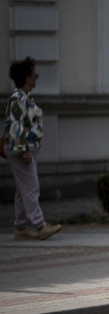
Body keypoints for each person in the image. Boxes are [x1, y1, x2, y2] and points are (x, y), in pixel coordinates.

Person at [2, 57, 61, 240]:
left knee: (23, 189)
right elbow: (16, 125)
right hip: (22, 150)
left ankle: (21, 228)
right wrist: (23, 150)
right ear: (28, 78)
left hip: (27, 149)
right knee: (31, 186)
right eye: (35, 74)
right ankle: (40, 225)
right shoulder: (18, 98)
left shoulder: (24, 97)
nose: (36, 78)